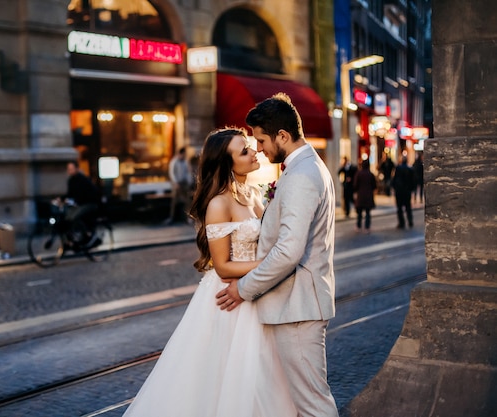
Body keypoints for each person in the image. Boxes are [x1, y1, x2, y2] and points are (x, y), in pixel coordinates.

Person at [123, 128, 298, 417]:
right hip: (231, 300)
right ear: (227, 164)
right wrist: (273, 265)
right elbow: (223, 266)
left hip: (258, 291)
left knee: (265, 375)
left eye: (251, 147)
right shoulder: (219, 203)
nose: (254, 151)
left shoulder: (254, 192)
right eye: (244, 151)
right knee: (231, 376)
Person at [216, 93, 339, 417]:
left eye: (261, 140)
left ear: (282, 136)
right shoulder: (305, 168)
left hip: (297, 308)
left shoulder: (300, 176)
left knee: (312, 405)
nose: (259, 149)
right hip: (294, 305)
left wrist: (243, 289)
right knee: (300, 403)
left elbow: (288, 252)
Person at [62, 161, 101, 242]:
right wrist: (62, 199)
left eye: (72, 169)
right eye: (69, 169)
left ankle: (87, 233)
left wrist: (74, 200)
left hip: (89, 203)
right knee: (67, 217)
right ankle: (74, 237)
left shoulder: (83, 179)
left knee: (75, 217)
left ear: (77, 169)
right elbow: (70, 193)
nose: (70, 171)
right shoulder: (71, 180)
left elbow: (87, 194)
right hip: (80, 203)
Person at [166, 147, 193, 224]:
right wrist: (175, 182)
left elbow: (188, 172)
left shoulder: (185, 162)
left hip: (184, 183)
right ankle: (172, 217)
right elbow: (172, 173)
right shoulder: (174, 162)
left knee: (187, 201)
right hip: (177, 183)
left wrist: (189, 181)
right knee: (174, 201)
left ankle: (188, 218)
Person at [353, 159, 377, 233]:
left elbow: (355, 185)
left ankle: (358, 226)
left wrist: (355, 193)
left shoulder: (359, 174)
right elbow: (374, 186)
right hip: (368, 195)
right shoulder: (371, 174)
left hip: (360, 195)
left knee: (359, 213)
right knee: (367, 213)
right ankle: (367, 227)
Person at [391, 156, 415, 229]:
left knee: (399, 208)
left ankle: (402, 223)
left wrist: (394, 188)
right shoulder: (410, 169)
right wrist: (411, 189)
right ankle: (410, 221)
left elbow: (394, 180)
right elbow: (413, 181)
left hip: (399, 191)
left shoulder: (398, 168)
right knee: (408, 207)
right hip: (407, 191)